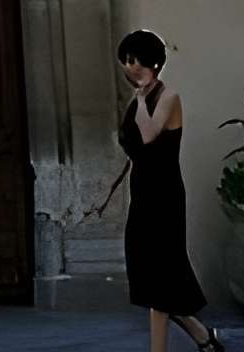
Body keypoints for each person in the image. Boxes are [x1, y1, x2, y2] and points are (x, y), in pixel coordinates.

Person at [95, 30, 225, 352]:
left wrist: (140, 99)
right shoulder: (139, 99)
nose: (130, 67)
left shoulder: (168, 97)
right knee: (147, 270)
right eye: (125, 61)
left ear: (152, 62)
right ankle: (203, 339)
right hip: (143, 191)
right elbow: (133, 146)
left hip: (164, 195)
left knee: (159, 276)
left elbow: (150, 134)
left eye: (135, 60)